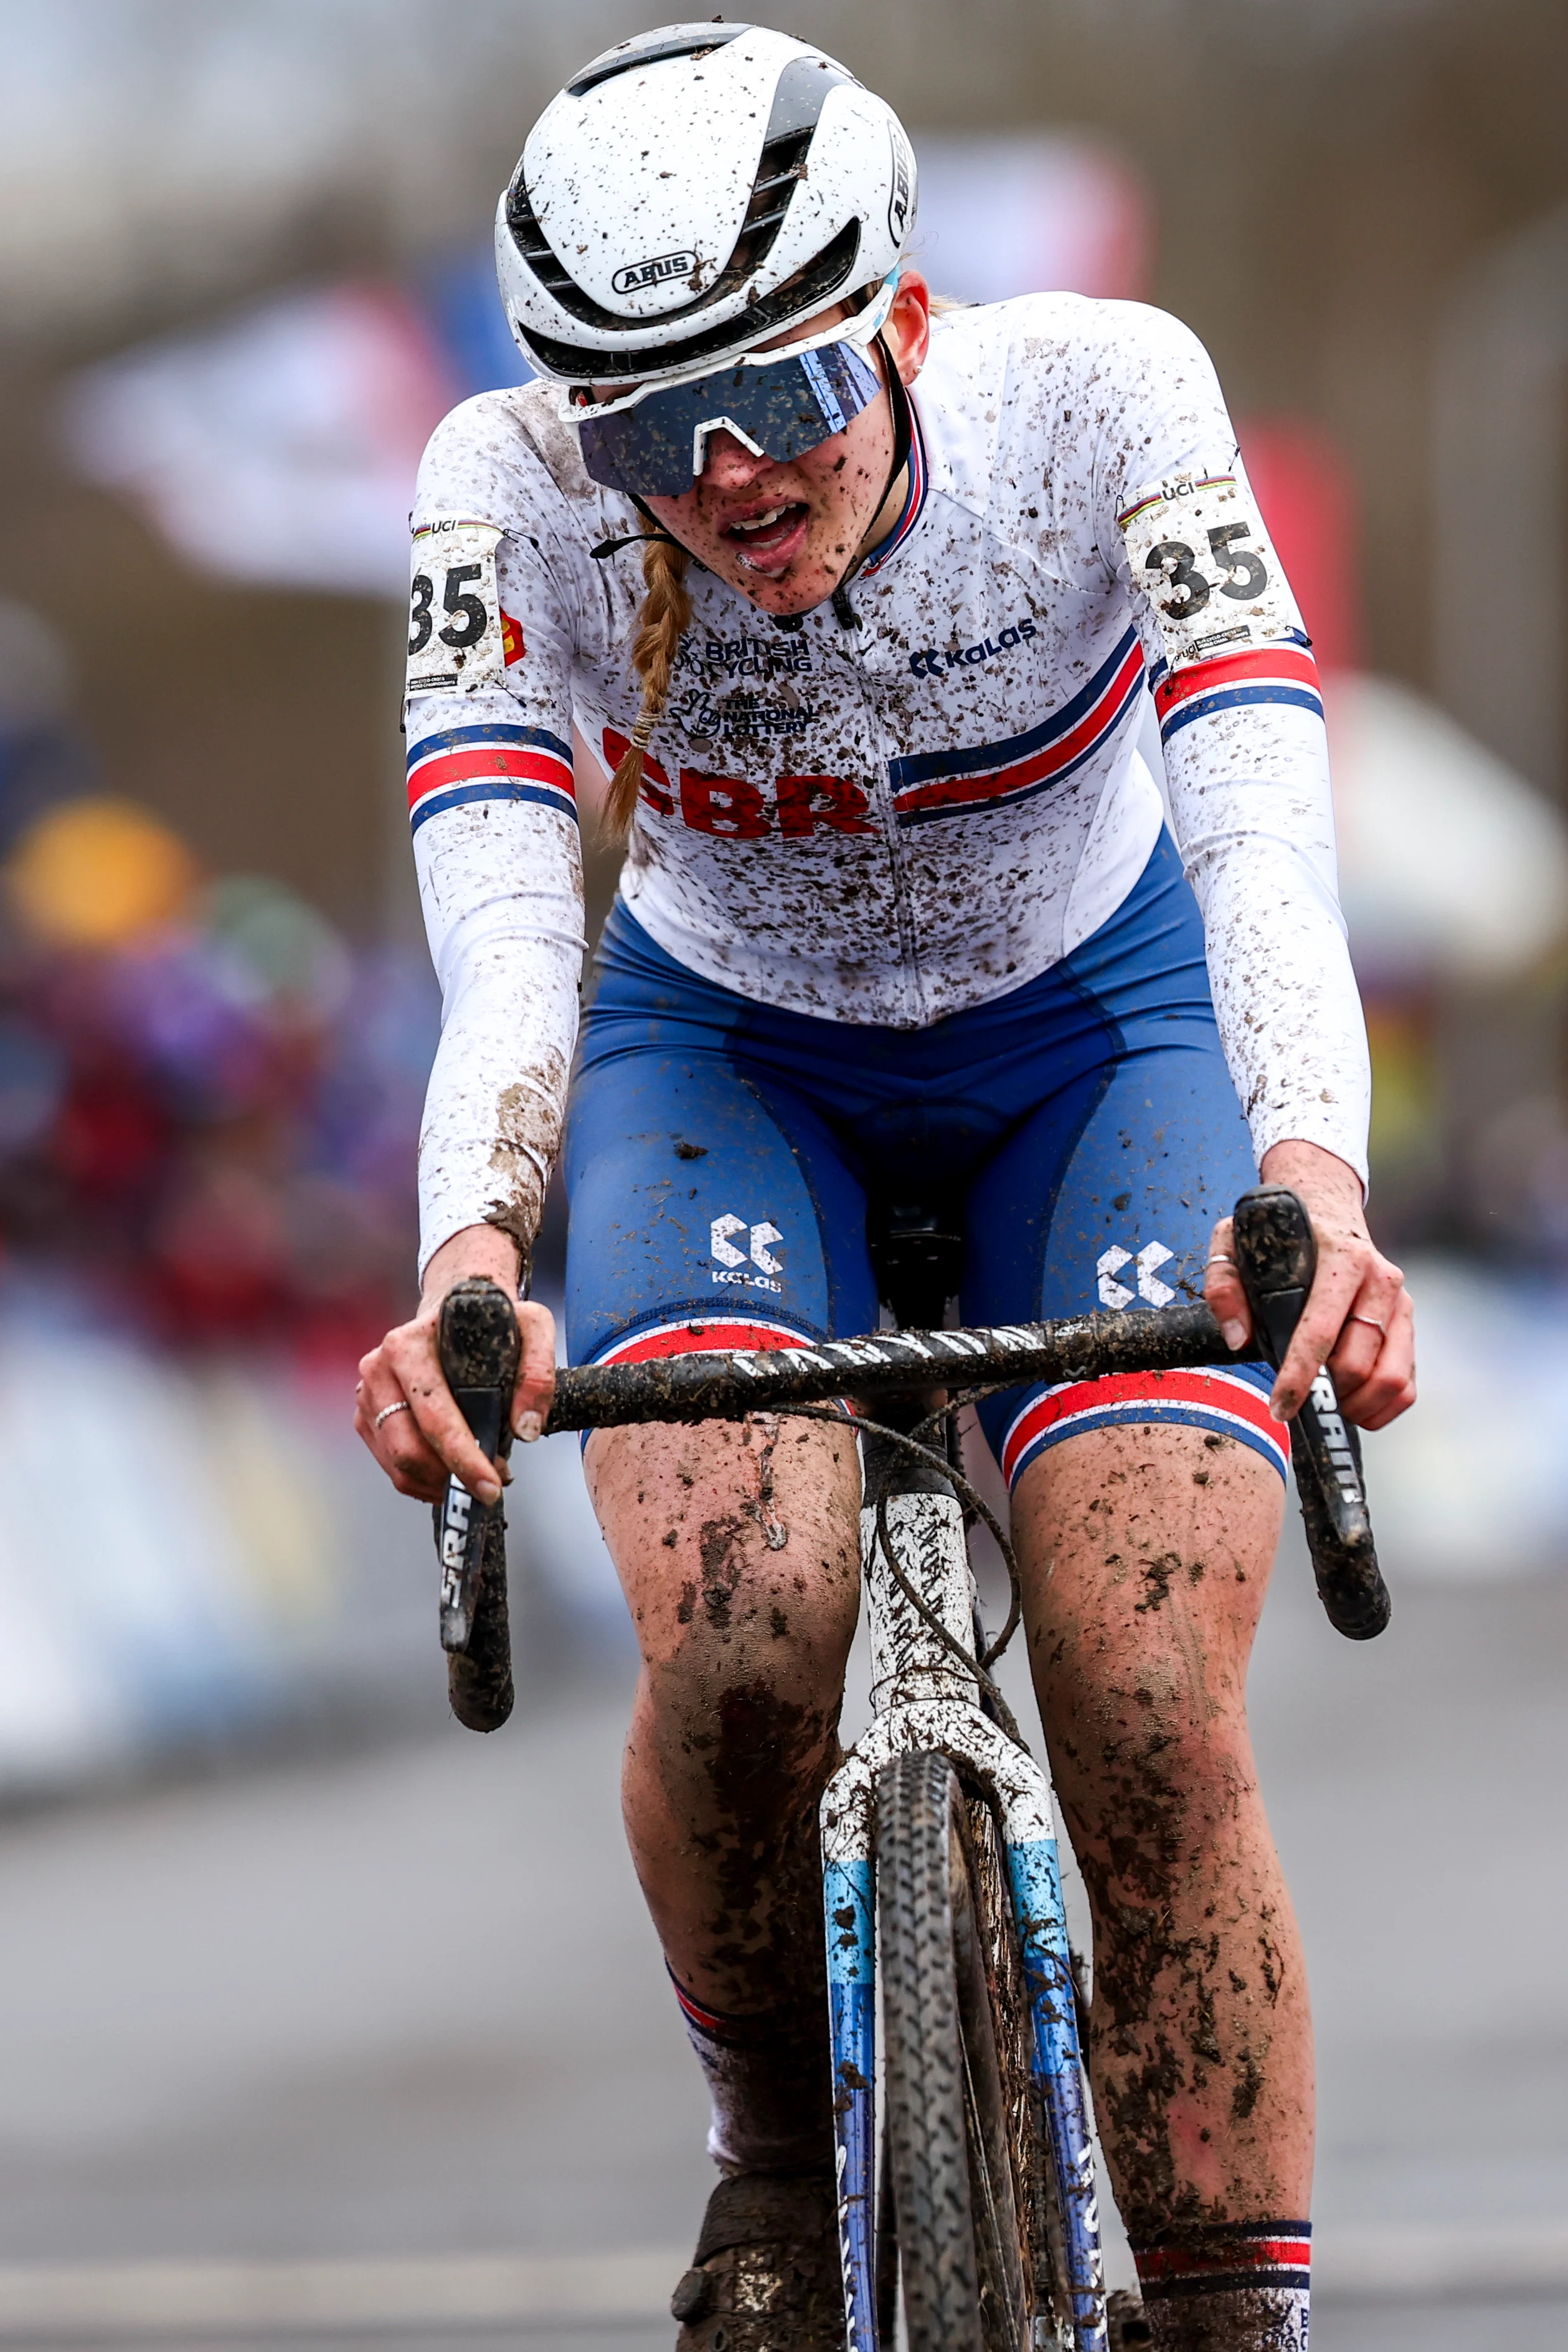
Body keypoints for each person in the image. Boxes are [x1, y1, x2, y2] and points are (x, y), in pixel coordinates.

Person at [356, 24, 1415, 2351]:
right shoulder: (494, 482)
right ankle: (772, 2166)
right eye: (648, 429)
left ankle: (1228, 2314)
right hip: (723, 1059)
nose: (724, 477)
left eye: (779, 395)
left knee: (1142, 1693)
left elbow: (1255, 799)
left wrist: (1312, 1176)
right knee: (739, 1635)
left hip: (1103, 1036)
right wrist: (470, 1251)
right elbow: (512, 915)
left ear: (906, 321)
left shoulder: (1107, 392)